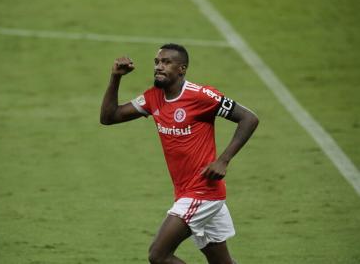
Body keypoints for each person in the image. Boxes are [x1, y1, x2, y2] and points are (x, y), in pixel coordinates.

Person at [100, 43, 259, 264]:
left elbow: (249, 118)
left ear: (182, 68)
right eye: (157, 62)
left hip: (201, 191)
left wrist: (223, 160)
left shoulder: (201, 96)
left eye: (166, 62)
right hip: (187, 190)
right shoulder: (153, 98)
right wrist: (115, 77)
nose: (159, 67)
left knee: (158, 255)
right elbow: (109, 117)